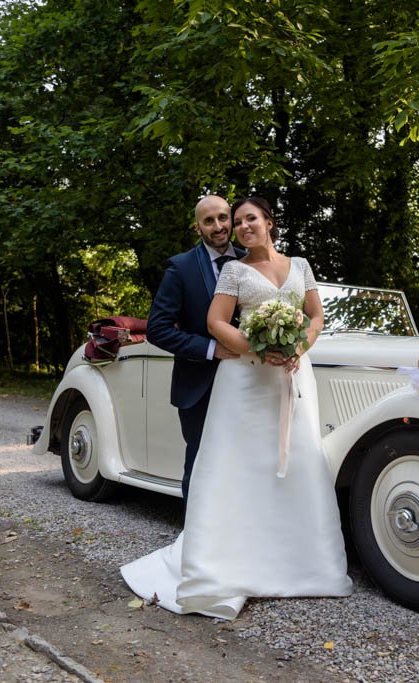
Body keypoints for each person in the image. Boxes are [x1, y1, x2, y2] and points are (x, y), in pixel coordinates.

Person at [121, 196, 352, 619]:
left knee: (294, 462)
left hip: (291, 377)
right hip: (229, 378)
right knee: (216, 469)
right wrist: (253, 350)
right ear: (199, 227)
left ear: (268, 222)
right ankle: (208, 554)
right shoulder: (202, 268)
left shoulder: (298, 266)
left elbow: (315, 317)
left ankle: (296, 560)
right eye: (215, 220)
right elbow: (202, 324)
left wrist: (297, 344)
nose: (229, 225)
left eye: (239, 218)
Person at [145, 195, 246, 500]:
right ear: (197, 228)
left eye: (223, 217)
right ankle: (196, 539)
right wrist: (210, 348)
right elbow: (157, 329)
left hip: (250, 381)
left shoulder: (252, 261)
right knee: (202, 462)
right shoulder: (181, 267)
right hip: (199, 384)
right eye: (209, 221)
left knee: (247, 462)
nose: (218, 226)